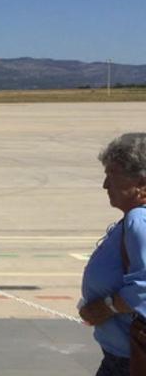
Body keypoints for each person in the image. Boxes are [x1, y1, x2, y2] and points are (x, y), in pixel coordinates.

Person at [79, 133, 146, 375]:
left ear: (140, 183)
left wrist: (106, 307)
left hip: (131, 362)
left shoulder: (140, 220)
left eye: (112, 176)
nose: (105, 185)